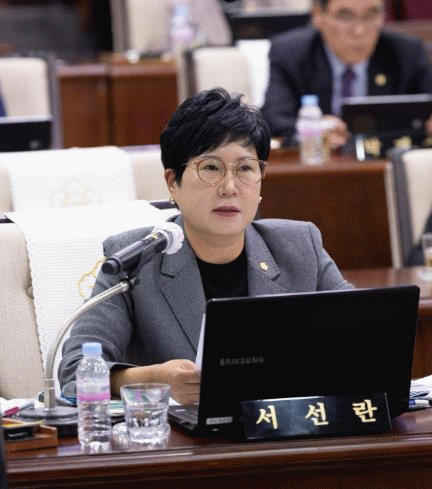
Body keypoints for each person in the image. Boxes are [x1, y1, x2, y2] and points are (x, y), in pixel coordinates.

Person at [59, 87, 352, 405]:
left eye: (245, 169)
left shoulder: (299, 246)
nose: (230, 187)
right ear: (173, 182)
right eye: (211, 168)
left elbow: (364, 333)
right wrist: (152, 380)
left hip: (288, 428)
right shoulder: (135, 260)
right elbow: (76, 373)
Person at [261, 0, 432, 149]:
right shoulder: (290, 54)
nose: (359, 30)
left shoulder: (407, 54)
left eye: (371, 15)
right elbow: (273, 119)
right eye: (345, 16)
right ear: (318, 15)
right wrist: (315, 129)